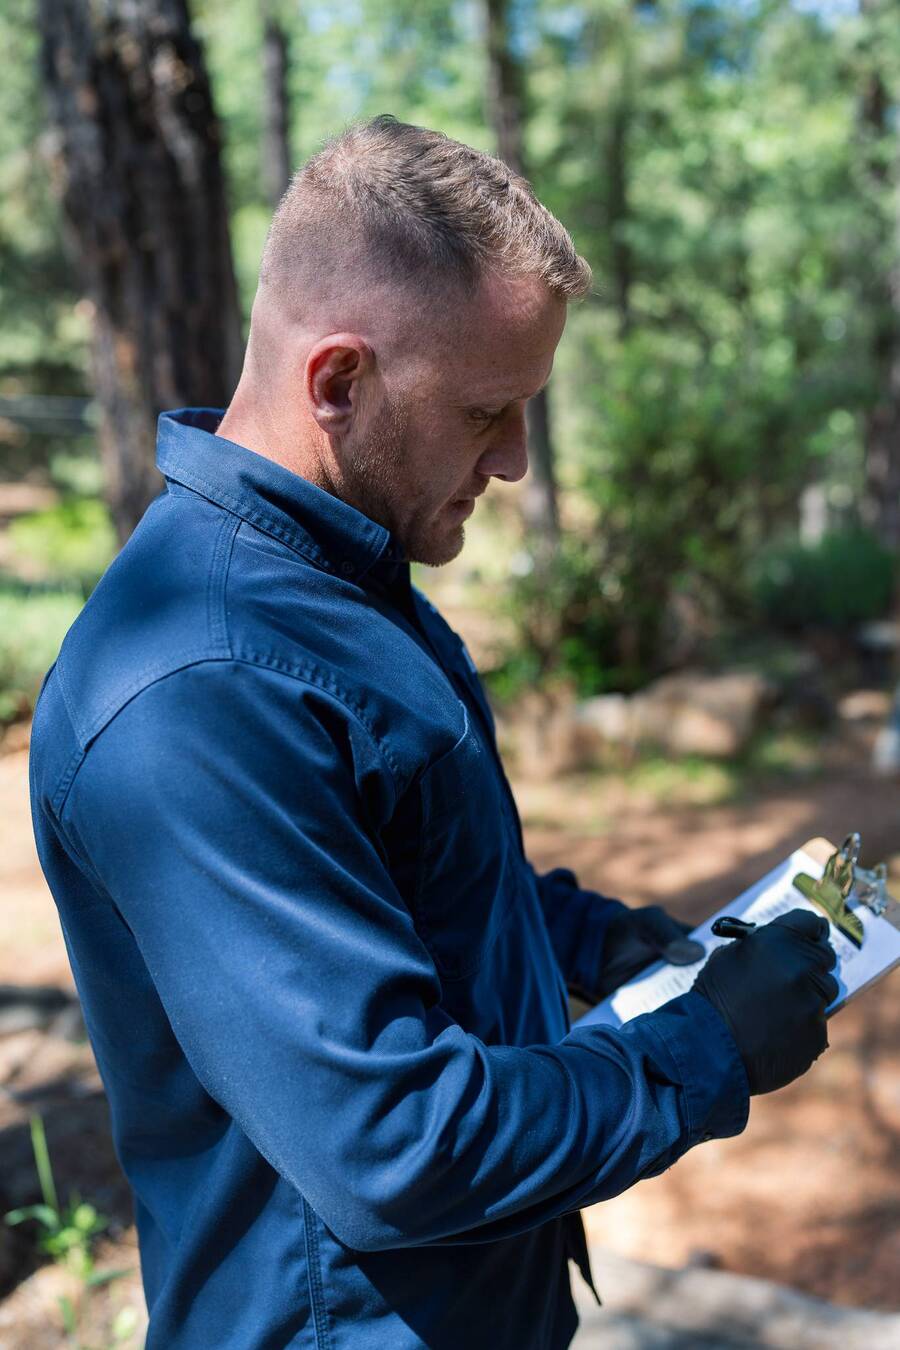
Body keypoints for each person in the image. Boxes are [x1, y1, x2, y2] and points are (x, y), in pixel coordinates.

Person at [29, 115, 838, 1350]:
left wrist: (619, 946)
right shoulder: (204, 685)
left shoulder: (340, 583)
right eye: (486, 412)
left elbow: (416, 875)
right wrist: (701, 1046)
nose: (514, 460)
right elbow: (395, 1144)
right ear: (338, 381)